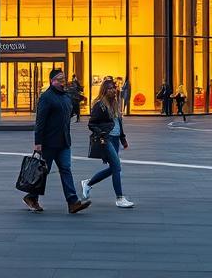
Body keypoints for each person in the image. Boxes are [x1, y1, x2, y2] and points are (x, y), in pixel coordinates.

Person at [24, 67, 91, 214]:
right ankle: (31, 197)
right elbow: (40, 121)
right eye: (59, 79)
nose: (62, 82)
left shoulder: (66, 96)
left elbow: (68, 115)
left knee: (66, 169)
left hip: (64, 142)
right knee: (42, 172)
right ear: (52, 81)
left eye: (63, 79)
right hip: (49, 142)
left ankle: (73, 202)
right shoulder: (46, 97)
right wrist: (38, 142)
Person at [81, 77, 134, 208]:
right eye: (110, 88)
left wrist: (123, 138)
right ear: (104, 90)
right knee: (117, 166)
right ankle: (120, 198)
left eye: (114, 88)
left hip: (115, 138)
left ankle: (88, 183)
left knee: (113, 168)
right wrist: (102, 134)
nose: (113, 90)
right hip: (107, 139)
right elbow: (92, 124)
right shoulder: (100, 105)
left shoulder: (115, 103)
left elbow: (118, 123)